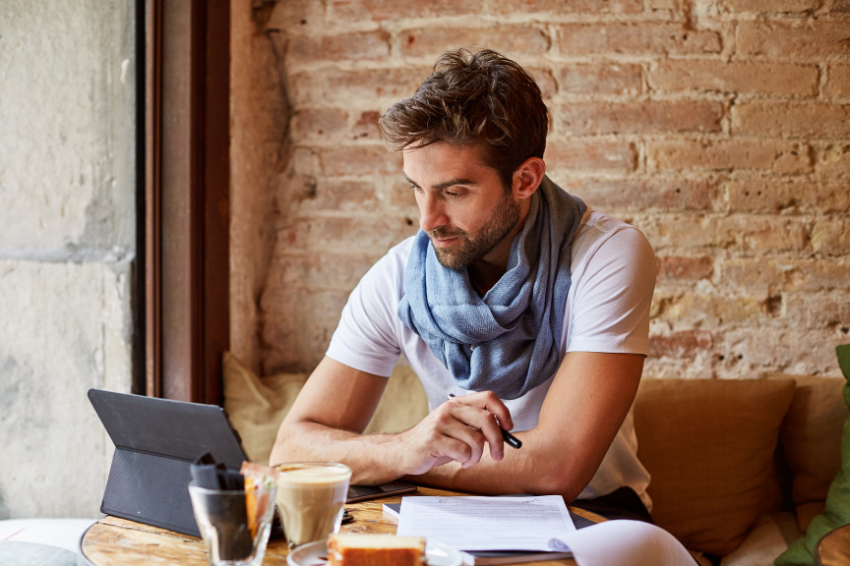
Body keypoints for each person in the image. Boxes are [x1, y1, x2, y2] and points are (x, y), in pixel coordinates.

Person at [270, 48, 657, 522]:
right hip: (455, 511)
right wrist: (404, 449)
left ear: (525, 179)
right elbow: (292, 446)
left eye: (454, 192)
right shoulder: (399, 277)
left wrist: (415, 461)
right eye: (416, 188)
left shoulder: (606, 255)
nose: (427, 219)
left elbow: (558, 468)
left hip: (592, 513)